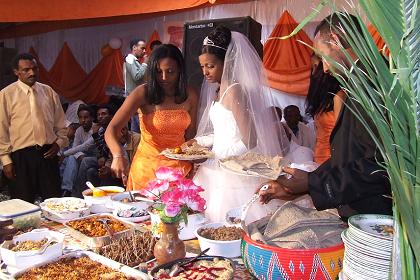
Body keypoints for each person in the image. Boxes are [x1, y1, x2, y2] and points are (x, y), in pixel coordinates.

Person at [258, 13, 392, 219]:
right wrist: (304, 184)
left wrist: (313, 183)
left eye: (323, 57)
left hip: (377, 217)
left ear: (337, 41)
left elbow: (380, 167)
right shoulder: (362, 80)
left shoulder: (375, 86)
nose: (326, 69)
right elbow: (351, 156)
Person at [186, 26, 289, 223]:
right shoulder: (218, 90)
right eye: (202, 67)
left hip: (232, 171)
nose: (205, 72)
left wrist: (217, 156)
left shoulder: (234, 91)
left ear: (228, 62)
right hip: (216, 169)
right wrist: (198, 142)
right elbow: (223, 131)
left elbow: (250, 139)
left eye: (211, 66)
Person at [105, 44, 198, 190]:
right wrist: (118, 155)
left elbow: (191, 136)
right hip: (147, 171)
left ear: (180, 70)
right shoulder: (142, 93)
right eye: (158, 72)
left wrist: (194, 162)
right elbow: (112, 129)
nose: (164, 77)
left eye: (170, 71)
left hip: (181, 170)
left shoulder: (191, 94)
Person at [0, 53, 68, 203]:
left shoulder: (48, 92)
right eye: (26, 70)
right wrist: (6, 160)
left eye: (35, 68)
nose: (32, 72)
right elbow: (1, 130)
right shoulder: (6, 95)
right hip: (20, 157)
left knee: (54, 203)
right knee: (23, 205)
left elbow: (61, 124)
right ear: (16, 72)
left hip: (48, 154)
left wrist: (59, 144)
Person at [305, 54, 345, 164]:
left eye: (315, 66)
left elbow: (341, 135)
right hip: (319, 156)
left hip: (332, 159)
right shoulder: (324, 100)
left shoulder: (339, 96)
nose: (312, 73)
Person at [60, 105, 96, 196]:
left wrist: (64, 154)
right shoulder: (79, 130)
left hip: (94, 157)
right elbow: (75, 147)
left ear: (92, 118)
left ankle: (76, 192)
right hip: (81, 156)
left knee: (71, 157)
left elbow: (85, 146)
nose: (83, 120)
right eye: (80, 117)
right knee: (70, 158)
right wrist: (79, 155)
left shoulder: (95, 130)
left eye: (86, 117)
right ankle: (66, 189)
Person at [124, 38, 148, 133]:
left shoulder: (135, 61)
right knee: (138, 131)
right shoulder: (130, 59)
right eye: (142, 48)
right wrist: (145, 63)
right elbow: (137, 76)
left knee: (137, 131)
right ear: (134, 47)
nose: (144, 51)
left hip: (137, 102)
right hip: (135, 102)